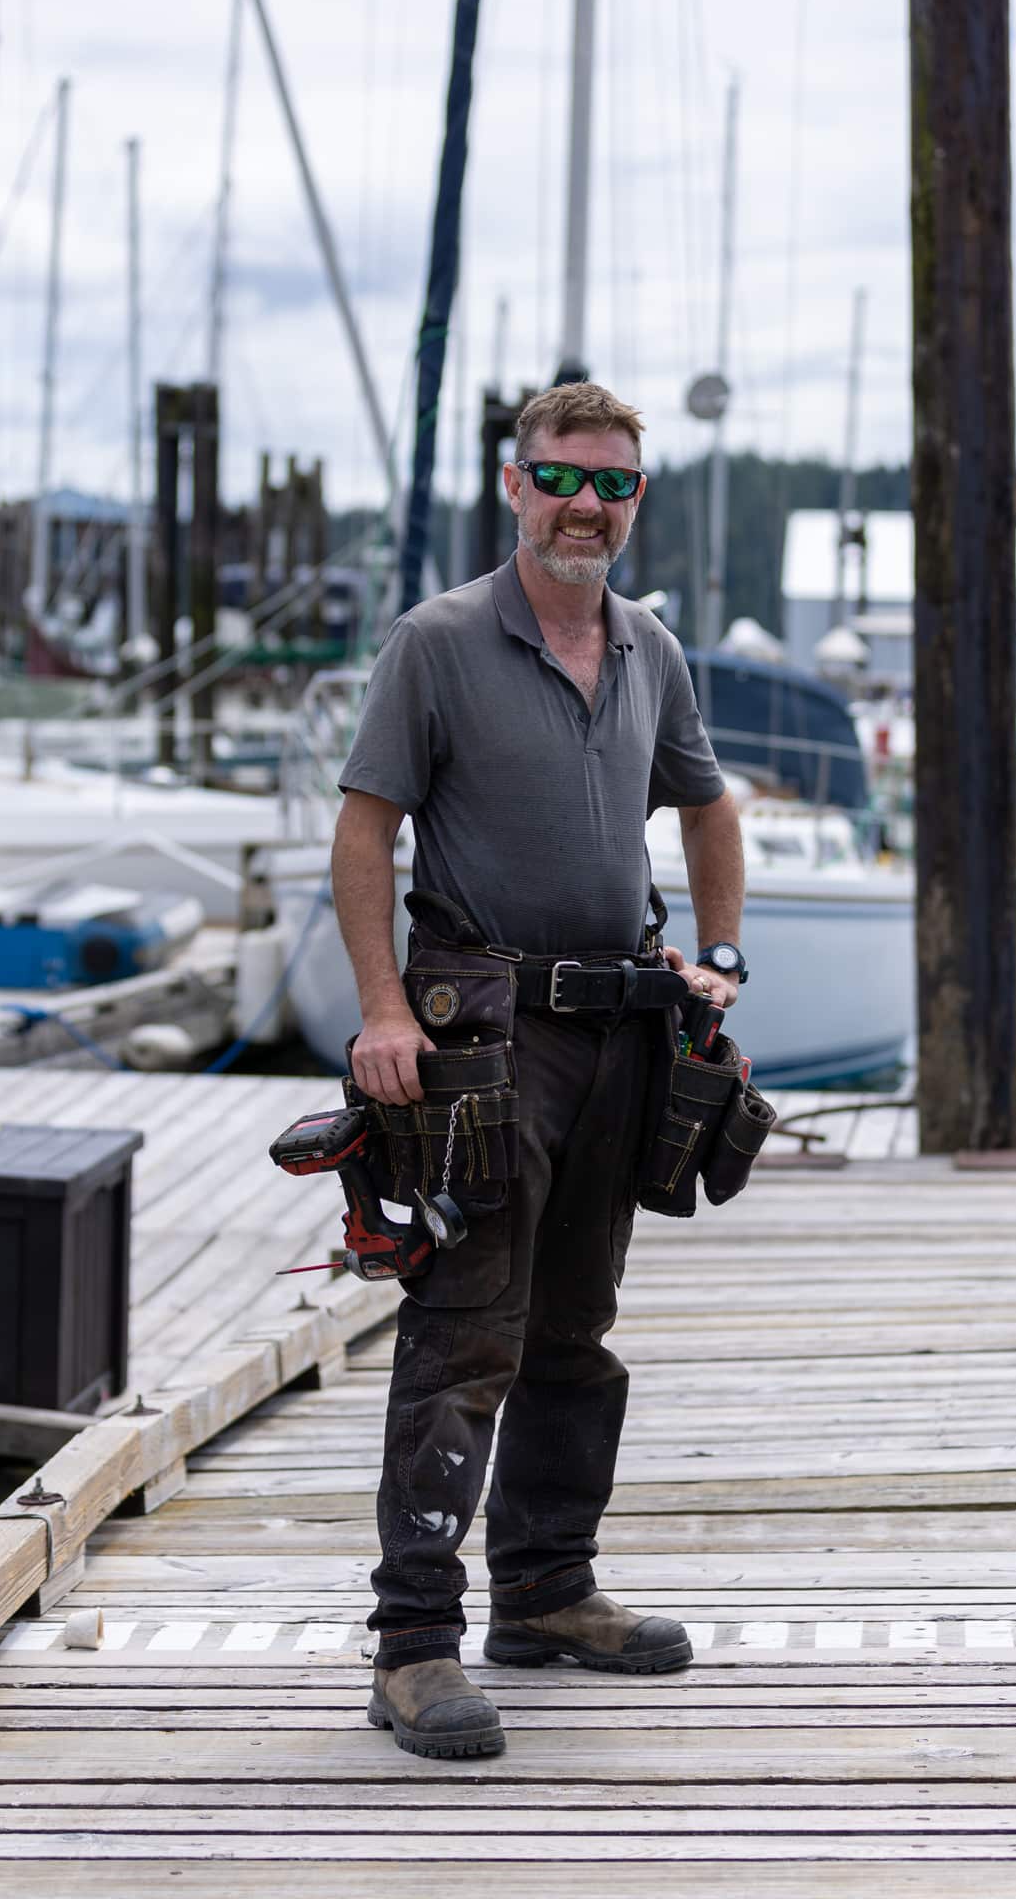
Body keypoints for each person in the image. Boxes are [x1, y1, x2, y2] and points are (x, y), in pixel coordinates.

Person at [332, 380, 747, 1760]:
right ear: (513, 485)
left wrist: (718, 957)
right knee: (465, 1335)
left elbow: (705, 801)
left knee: (575, 1326)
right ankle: (412, 1650)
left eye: (612, 483)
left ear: (637, 498)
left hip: (620, 1024)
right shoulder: (438, 640)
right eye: (560, 477)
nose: (586, 504)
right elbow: (363, 833)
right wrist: (383, 1010)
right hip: (481, 1034)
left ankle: (549, 1596)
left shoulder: (650, 649)